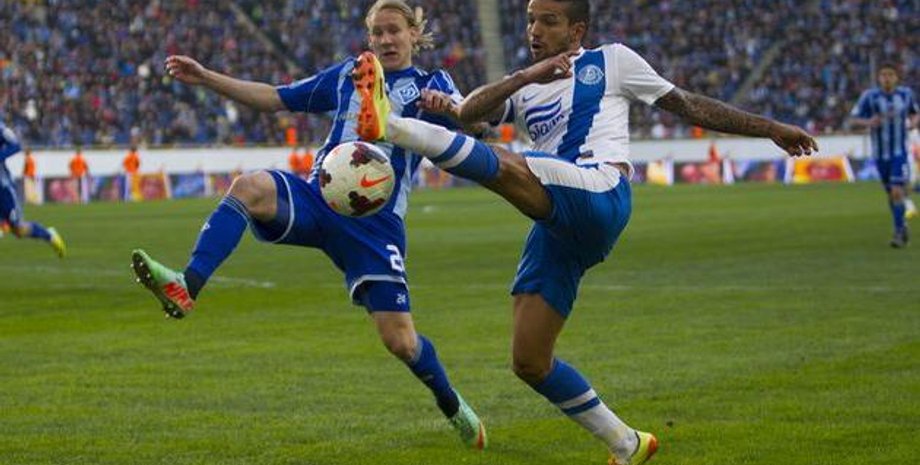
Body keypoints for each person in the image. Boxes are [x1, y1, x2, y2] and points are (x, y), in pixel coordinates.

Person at [351, 1, 818, 463]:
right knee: (529, 361)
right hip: (558, 222)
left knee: (507, 166)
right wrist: (505, 85)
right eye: (531, 20)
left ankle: (389, 124)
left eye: (549, 22)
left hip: (599, 190)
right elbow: (473, 113)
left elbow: (689, 105)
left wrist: (770, 128)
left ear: (576, 32)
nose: (535, 30)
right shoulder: (525, 86)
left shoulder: (612, 60)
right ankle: (628, 443)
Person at [130, 0, 486, 449]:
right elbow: (275, 97)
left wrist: (452, 110)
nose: (386, 40)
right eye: (377, 32)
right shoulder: (350, 74)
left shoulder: (431, 84)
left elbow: (480, 123)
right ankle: (188, 285)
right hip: (319, 196)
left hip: (375, 226)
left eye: (395, 31)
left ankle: (451, 403)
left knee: (400, 341)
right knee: (249, 187)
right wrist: (207, 78)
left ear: (415, 34)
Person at [850, 63, 919, 248]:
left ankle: (898, 232)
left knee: (897, 191)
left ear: (896, 77)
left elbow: (915, 113)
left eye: (890, 74)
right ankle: (902, 225)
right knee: (891, 194)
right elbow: (854, 118)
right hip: (880, 155)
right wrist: (868, 121)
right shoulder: (870, 97)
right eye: (883, 75)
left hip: (899, 152)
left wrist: (913, 123)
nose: (887, 78)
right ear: (879, 78)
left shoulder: (905, 94)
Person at [0, 122, 66, 257]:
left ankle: (49, 235)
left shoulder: (1, 128)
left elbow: (15, 145)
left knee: (18, 229)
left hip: (3, 188)